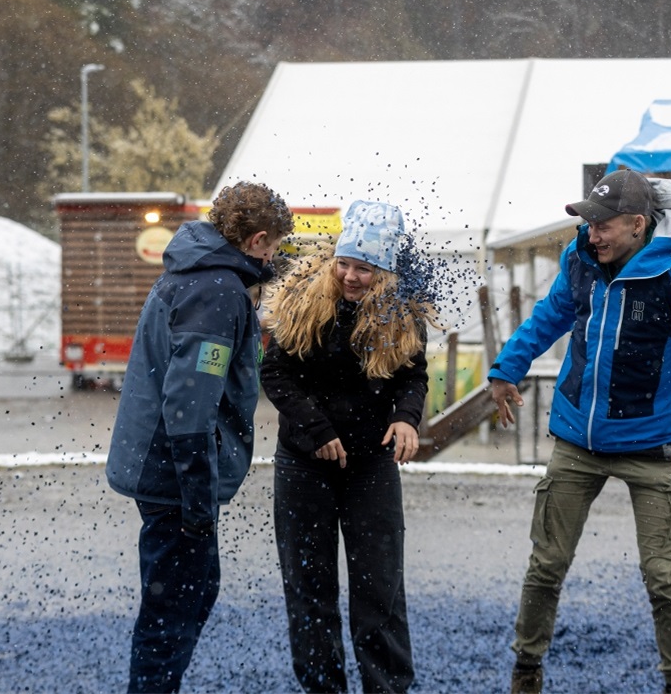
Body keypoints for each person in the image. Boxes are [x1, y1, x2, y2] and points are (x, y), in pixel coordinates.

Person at [488, 168, 671, 694]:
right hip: (576, 440)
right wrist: (505, 368)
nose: (592, 234)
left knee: (663, 578)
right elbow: (550, 316)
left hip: (652, 447)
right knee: (546, 565)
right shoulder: (580, 260)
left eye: (603, 225)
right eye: (588, 223)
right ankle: (525, 673)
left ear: (638, 224)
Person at [106, 181, 294, 693]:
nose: (274, 256)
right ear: (256, 240)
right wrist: (197, 503)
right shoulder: (216, 293)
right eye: (274, 246)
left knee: (193, 591)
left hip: (158, 466)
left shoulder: (193, 272)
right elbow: (190, 406)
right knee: (173, 608)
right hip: (171, 474)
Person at [260, 200, 430, 694]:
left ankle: (388, 687)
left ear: (386, 272)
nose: (350, 277)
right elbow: (276, 374)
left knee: (380, 589)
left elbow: (411, 377)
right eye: (345, 263)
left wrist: (405, 418)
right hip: (304, 464)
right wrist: (317, 430)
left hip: (371, 467)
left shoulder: (404, 315)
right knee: (309, 589)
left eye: (364, 268)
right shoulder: (301, 300)